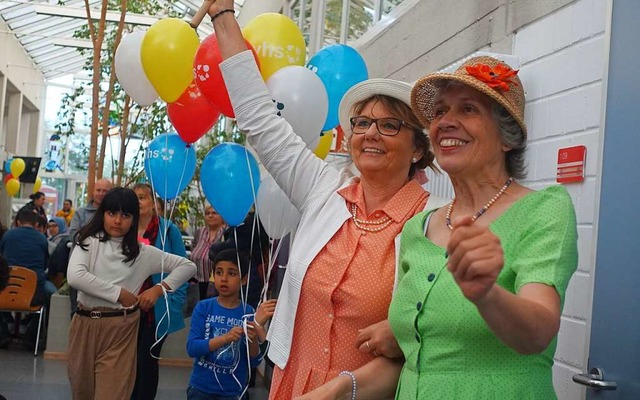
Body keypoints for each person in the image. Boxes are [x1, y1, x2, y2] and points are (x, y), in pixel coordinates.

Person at [301, 56, 579, 399]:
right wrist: (337, 390)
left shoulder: (542, 209)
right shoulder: (418, 228)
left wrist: (486, 293)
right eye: (440, 112)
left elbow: (537, 332)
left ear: (507, 138)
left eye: (468, 110)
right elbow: (416, 362)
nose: (446, 122)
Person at [205, 3, 446, 398]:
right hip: (294, 381)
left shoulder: (434, 220)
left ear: (418, 149)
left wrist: (405, 332)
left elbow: (441, 323)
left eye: (389, 125)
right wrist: (223, 15)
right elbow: (259, 118)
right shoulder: (324, 190)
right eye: (362, 123)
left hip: (372, 391)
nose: (370, 133)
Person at [66, 187, 196, 399]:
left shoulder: (142, 252)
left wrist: (158, 289)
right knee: (82, 392)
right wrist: (119, 293)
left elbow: (188, 266)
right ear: (103, 214)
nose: (117, 220)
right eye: (112, 213)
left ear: (134, 219)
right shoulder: (88, 241)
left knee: (112, 394)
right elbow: (75, 277)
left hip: (121, 328)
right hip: (84, 324)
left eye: (125, 215)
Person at [186, 249, 272, 400]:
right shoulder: (204, 307)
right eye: (219, 272)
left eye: (232, 273)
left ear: (244, 279)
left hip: (233, 392)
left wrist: (252, 340)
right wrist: (225, 338)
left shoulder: (249, 312)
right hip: (201, 389)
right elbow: (192, 348)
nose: (224, 278)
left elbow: (254, 361)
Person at [131, 183, 189, 400]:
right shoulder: (125, 229)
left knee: (147, 358)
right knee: (129, 359)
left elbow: (183, 268)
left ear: (154, 204)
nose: (138, 202)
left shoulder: (168, 230)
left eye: (143, 197)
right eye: (134, 197)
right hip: (128, 306)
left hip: (158, 308)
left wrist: (172, 302)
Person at [0, 208, 55, 349]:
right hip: (33, 294)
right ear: (36, 224)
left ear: (18, 222)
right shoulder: (42, 239)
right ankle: (32, 336)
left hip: (5, 290)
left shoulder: (7, 235)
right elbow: (44, 265)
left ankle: (3, 333)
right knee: (53, 297)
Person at [68, 178, 113, 315]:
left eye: (105, 191)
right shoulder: (80, 213)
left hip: (105, 267)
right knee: (77, 309)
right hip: (80, 264)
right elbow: (74, 236)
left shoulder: (114, 214)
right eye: (98, 190)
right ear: (93, 191)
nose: (101, 193)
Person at [190, 204, 225, 300]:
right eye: (207, 213)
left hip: (214, 284)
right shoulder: (200, 232)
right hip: (196, 281)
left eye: (214, 213)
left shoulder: (225, 233)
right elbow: (193, 248)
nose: (210, 215)